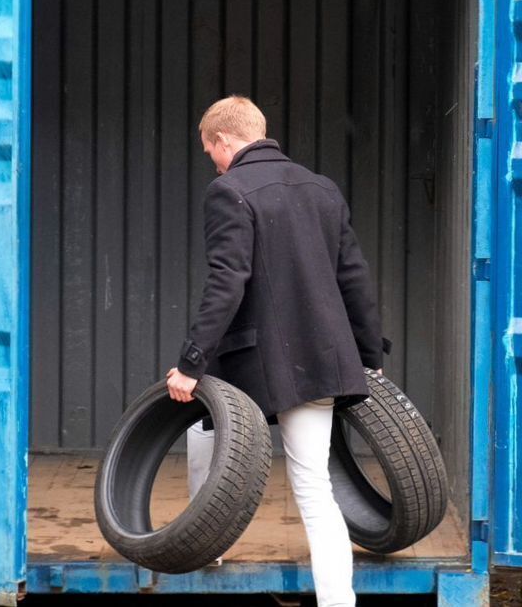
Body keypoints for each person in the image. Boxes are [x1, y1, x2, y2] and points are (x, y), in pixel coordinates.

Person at [166, 96, 387, 607]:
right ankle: (339, 602)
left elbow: (227, 282)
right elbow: (354, 277)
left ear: (223, 141)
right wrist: (369, 353)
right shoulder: (322, 189)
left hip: (253, 360)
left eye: (210, 151)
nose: (213, 162)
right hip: (321, 359)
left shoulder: (229, 191)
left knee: (201, 424)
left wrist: (192, 362)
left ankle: (206, 548)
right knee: (314, 486)